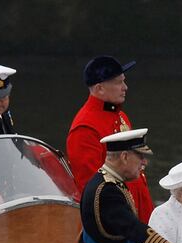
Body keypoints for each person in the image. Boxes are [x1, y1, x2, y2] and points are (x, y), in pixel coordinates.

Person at [66, 56, 154, 226]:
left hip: (139, 207)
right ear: (99, 88)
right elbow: (93, 189)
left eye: (124, 81)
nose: (125, 87)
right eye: (119, 83)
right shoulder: (85, 128)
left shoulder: (120, 116)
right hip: (120, 216)